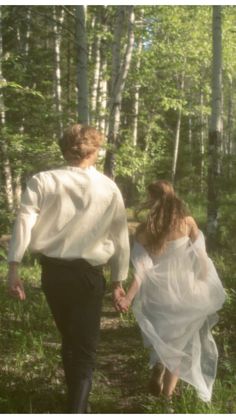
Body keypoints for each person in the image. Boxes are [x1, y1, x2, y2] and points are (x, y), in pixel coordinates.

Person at [7, 124, 130, 413]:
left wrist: (14, 267)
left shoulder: (43, 181)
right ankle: (77, 410)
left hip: (53, 275)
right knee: (84, 348)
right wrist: (118, 280)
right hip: (88, 276)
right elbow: (120, 237)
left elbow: (23, 223)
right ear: (95, 151)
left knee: (71, 339)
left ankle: (77, 404)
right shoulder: (108, 187)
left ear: (64, 150)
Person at [118, 180, 225, 405]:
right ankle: (166, 400)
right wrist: (203, 280)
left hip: (158, 294)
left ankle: (159, 365)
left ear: (151, 200)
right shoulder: (187, 223)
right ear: (173, 198)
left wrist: (128, 297)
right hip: (186, 291)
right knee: (177, 344)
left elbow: (142, 269)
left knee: (164, 338)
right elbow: (201, 257)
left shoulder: (144, 231)